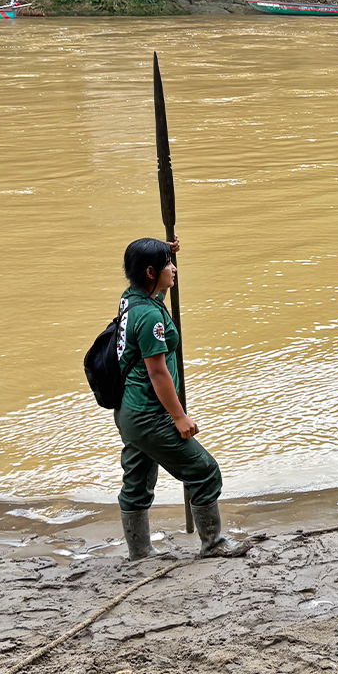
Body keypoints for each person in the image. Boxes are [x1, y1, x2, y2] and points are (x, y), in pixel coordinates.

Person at [114, 237, 248, 559]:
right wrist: (179, 417)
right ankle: (213, 544)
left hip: (129, 411)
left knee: (137, 480)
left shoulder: (133, 298)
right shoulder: (150, 318)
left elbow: (155, 284)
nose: (173, 269)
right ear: (150, 273)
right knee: (203, 471)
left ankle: (139, 553)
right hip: (150, 414)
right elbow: (158, 374)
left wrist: (164, 250)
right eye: (167, 265)